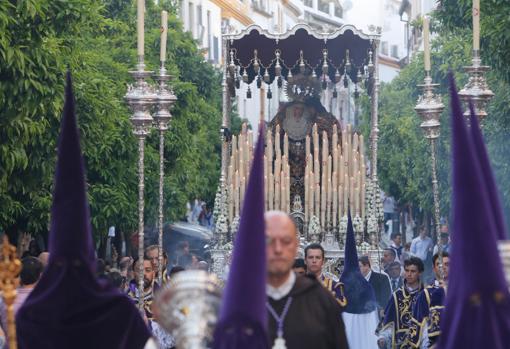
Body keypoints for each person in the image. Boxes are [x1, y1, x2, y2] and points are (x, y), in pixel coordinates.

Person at [266, 211, 348, 348]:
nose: (278, 249)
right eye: (268, 240)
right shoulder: (245, 297)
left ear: (295, 246)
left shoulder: (322, 299)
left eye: (286, 241)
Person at [378, 257, 425, 349]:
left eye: (413, 271)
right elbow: (388, 323)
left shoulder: (426, 294)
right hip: (401, 344)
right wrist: (383, 338)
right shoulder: (397, 295)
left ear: (420, 273)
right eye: (407, 270)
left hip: (422, 342)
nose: (409, 274)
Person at [407, 252, 450, 348]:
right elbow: (421, 327)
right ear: (433, 268)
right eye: (439, 265)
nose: (443, 267)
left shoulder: (462, 291)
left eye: (447, 264)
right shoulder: (425, 294)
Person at [304, 243, 347, 307]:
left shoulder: (334, 286)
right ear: (305, 260)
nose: (314, 260)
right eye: (310, 257)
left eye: (318, 257)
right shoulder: (295, 285)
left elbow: (342, 306)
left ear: (323, 261)